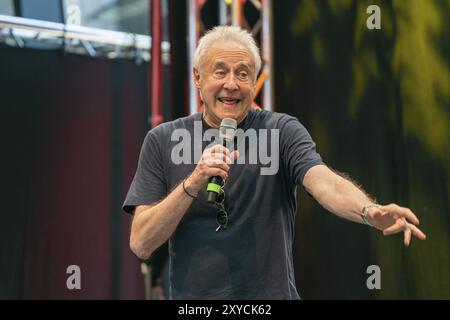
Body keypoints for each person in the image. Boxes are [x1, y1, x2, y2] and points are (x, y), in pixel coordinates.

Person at [122, 26, 426, 299]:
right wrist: (193, 183)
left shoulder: (281, 130)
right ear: (198, 78)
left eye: (243, 74)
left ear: (255, 81)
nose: (232, 83)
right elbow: (141, 242)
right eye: (220, 71)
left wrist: (367, 211)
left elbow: (322, 180)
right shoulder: (162, 139)